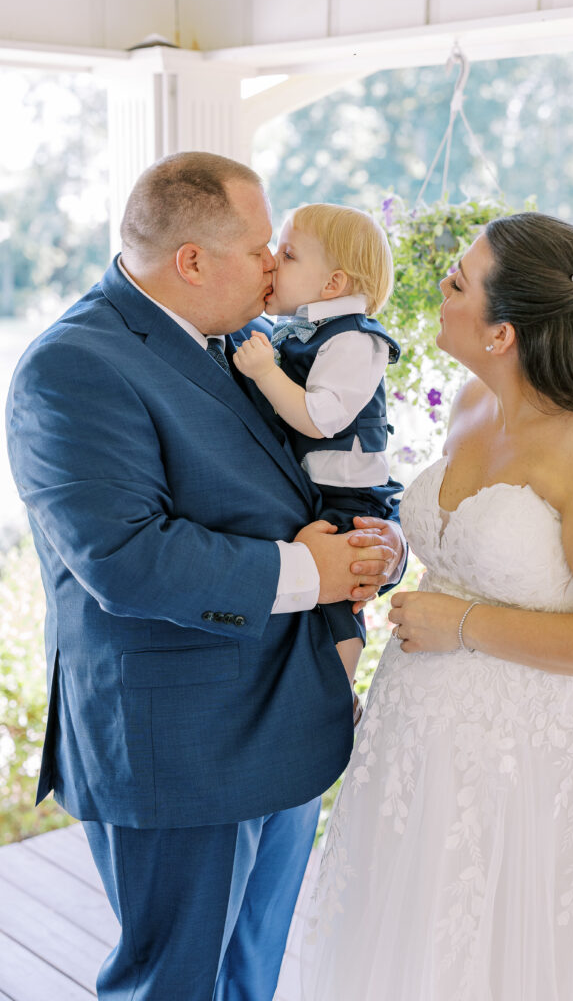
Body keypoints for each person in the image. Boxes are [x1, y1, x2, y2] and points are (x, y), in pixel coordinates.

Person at [4, 151, 405, 1001]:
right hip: (182, 741)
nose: (273, 264)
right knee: (176, 984)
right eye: (262, 245)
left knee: (251, 975)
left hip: (286, 723)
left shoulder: (248, 340)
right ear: (192, 260)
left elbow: (333, 463)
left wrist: (377, 546)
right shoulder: (75, 366)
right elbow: (125, 559)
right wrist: (310, 569)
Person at [301, 212, 573, 1001]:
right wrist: (400, 551)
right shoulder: (471, 402)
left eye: (455, 284)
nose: (437, 292)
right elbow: (476, 549)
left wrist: (463, 626)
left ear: (502, 331)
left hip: (549, 758)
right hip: (432, 750)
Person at [233, 203, 402, 721]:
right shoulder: (297, 329)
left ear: (332, 283)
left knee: (342, 593)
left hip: (349, 494)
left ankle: (340, 689)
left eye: (287, 254)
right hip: (320, 489)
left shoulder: (355, 338)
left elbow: (319, 419)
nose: (272, 262)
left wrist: (265, 373)